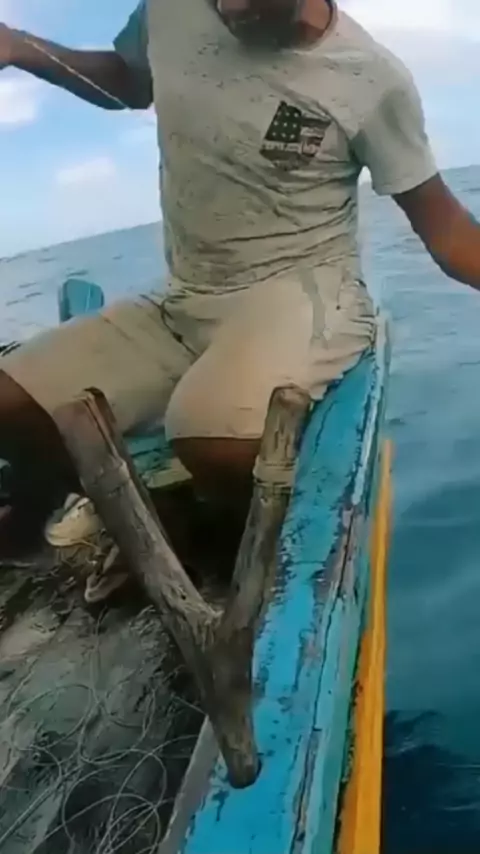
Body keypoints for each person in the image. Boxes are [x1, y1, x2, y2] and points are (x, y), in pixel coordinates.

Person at [0, 0, 478, 544]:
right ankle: (159, 527)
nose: (229, 8)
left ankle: (228, 540)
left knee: (209, 436)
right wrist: (20, 48)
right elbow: (129, 82)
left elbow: (447, 230)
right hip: (185, 299)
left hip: (304, 292)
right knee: (10, 402)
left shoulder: (371, 79)